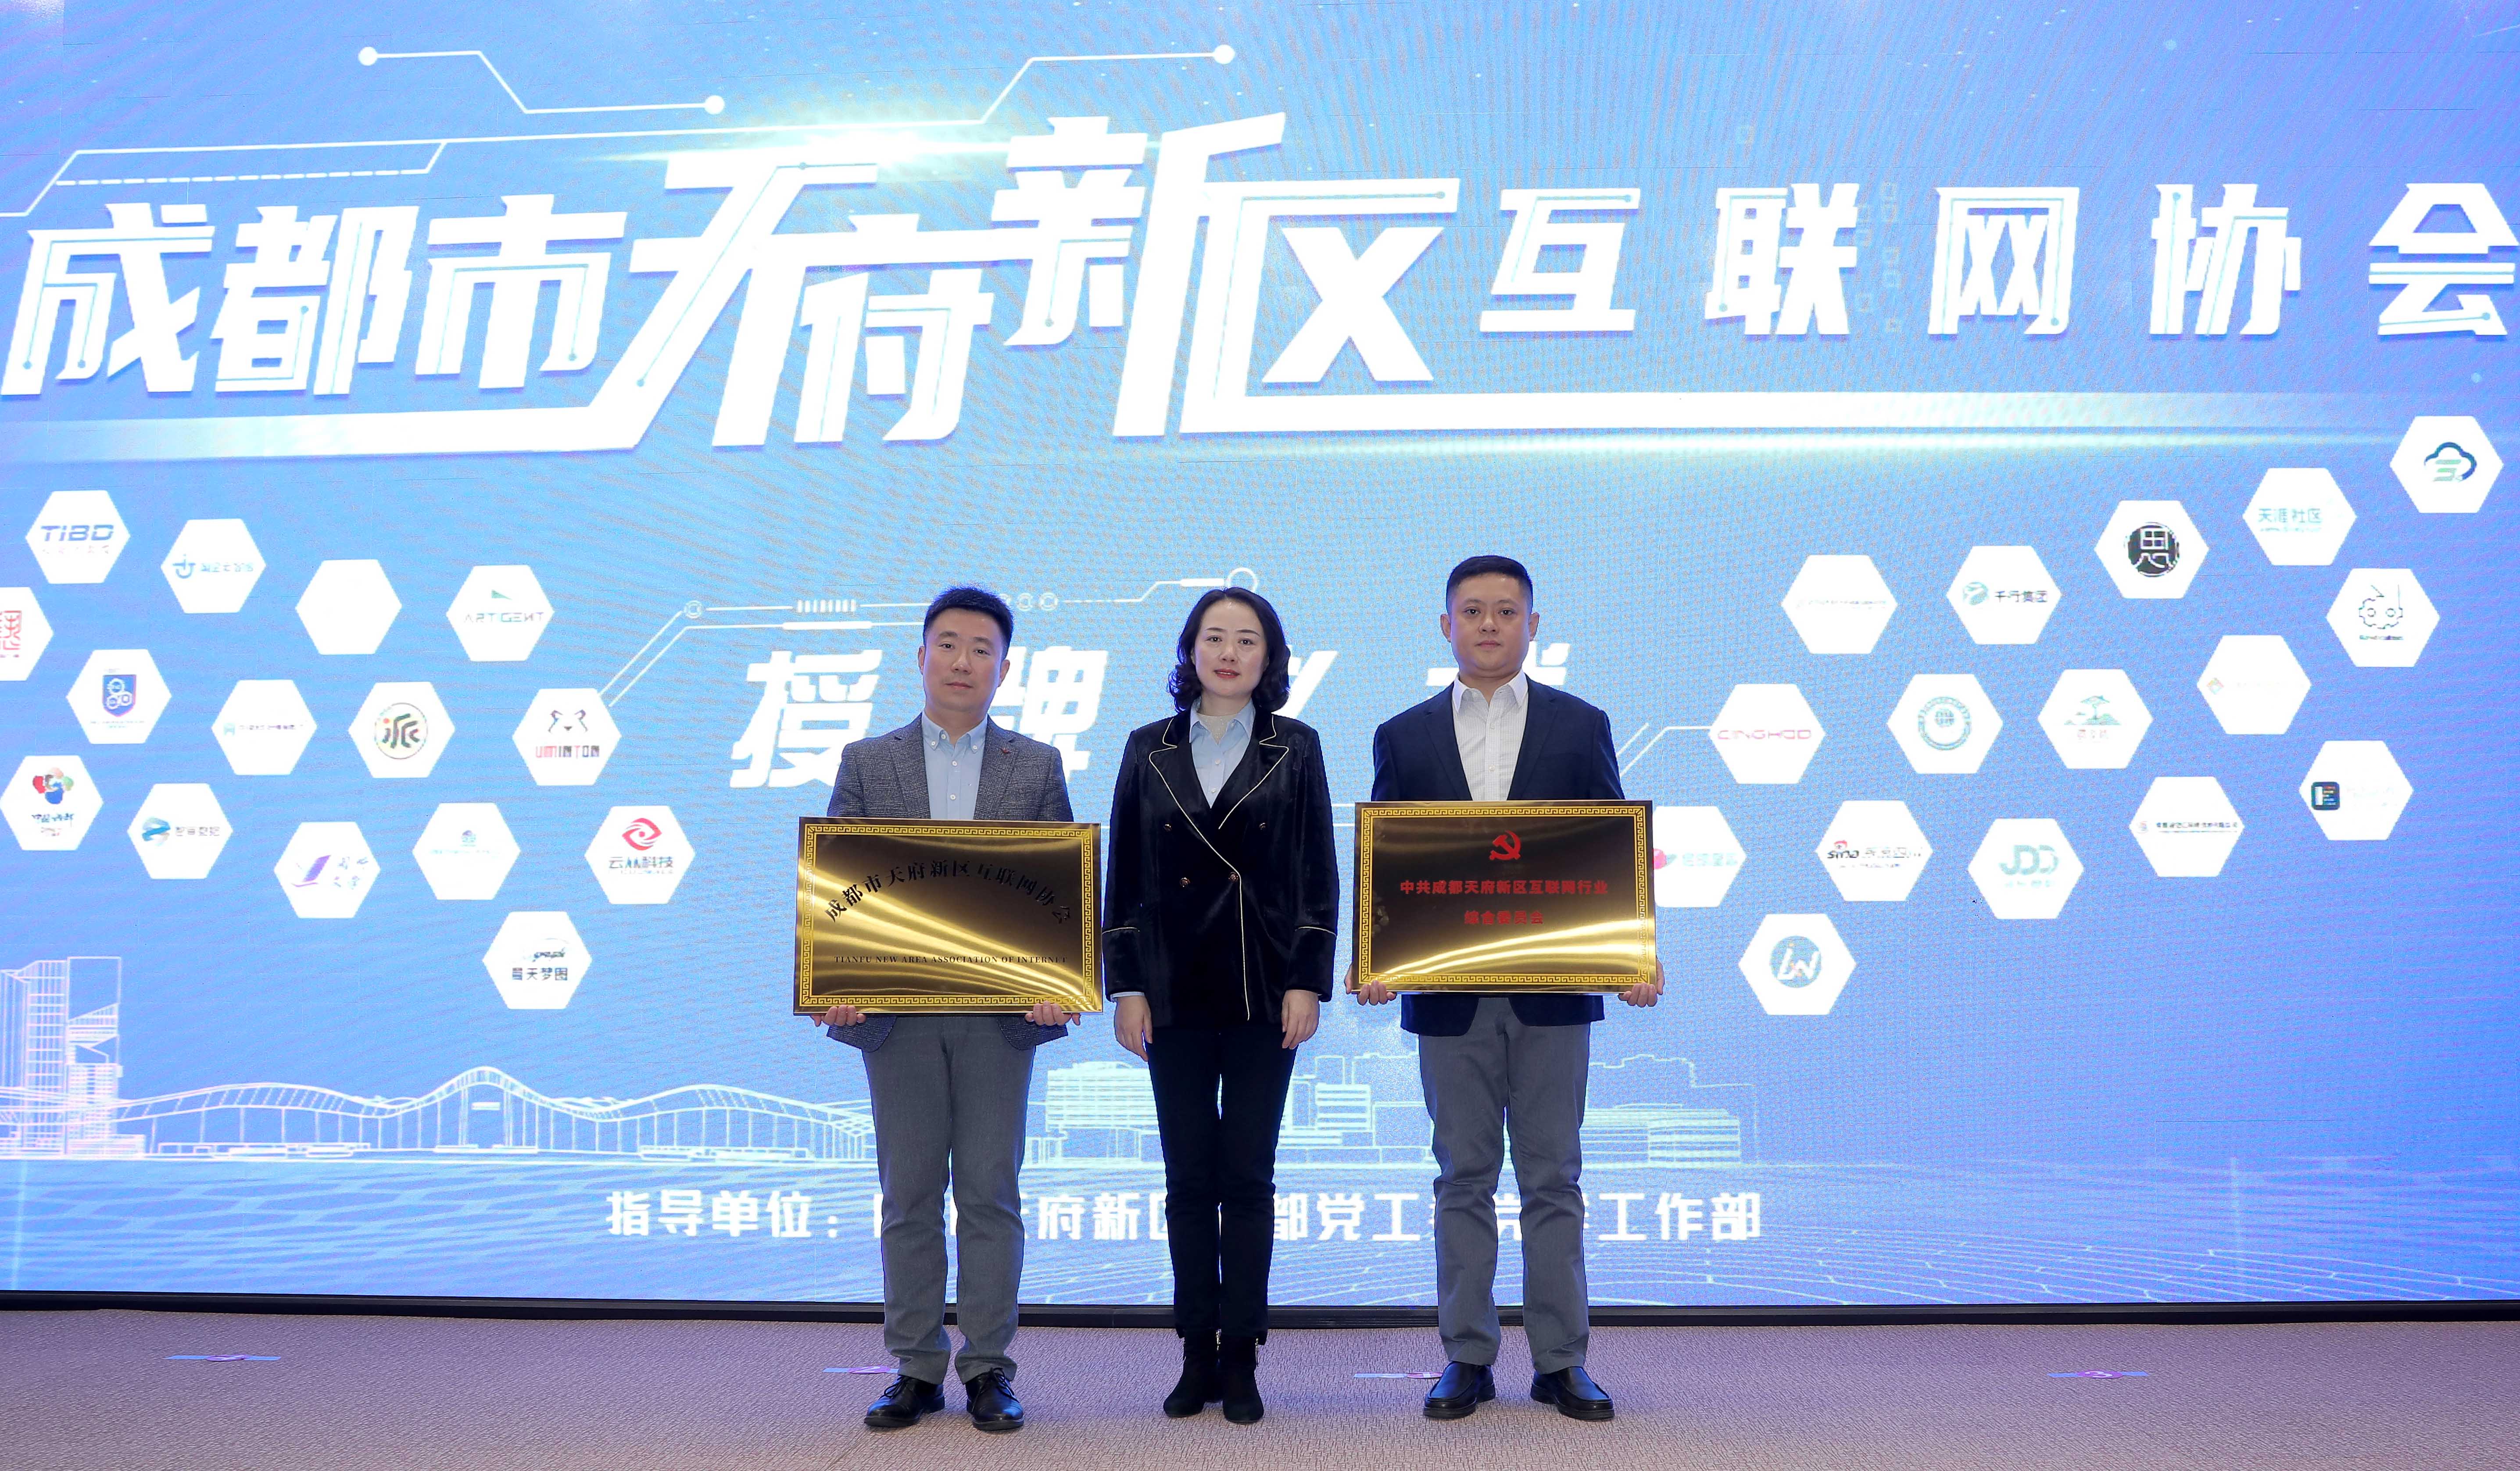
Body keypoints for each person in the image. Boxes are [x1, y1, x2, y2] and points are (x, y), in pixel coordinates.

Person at [1355, 554, 1662, 1424]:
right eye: (1472, 611)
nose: (1488, 625)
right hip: (1448, 997)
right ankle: (1467, 1356)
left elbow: (1610, 846)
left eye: (1504, 611)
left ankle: (1562, 1361)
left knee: (1553, 1179)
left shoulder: (1580, 724)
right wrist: (1375, 954)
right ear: (1445, 625)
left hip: (1553, 993)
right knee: (1462, 1178)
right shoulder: (1403, 735)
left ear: (1533, 624)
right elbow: (1389, 861)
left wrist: (1636, 952)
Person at [818, 586, 1078, 1435]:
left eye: (982, 649)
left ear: (1004, 667)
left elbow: (1059, 891)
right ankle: (917, 1366)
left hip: (1002, 1018)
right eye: (950, 644)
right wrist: (837, 981)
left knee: (991, 1193)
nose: (964, 662)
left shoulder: (1036, 766)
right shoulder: (868, 761)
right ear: (921, 655)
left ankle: (989, 1366)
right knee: (909, 1194)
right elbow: (842, 885)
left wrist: (1059, 981)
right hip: (897, 1017)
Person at [1102, 588, 1338, 1425]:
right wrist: (1127, 985)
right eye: (1214, 637)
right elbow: (1126, 873)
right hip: (1170, 991)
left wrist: (1308, 978)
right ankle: (1194, 1350)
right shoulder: (1149, 746)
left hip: (1264, 988)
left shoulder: (1295, 746)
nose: (1229, 653)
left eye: (1247, 639)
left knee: (1247, 1175)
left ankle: (1241, 1352)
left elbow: (1317, 871)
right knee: (1187, 1178)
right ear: (1190, 650)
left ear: (1270, 657)